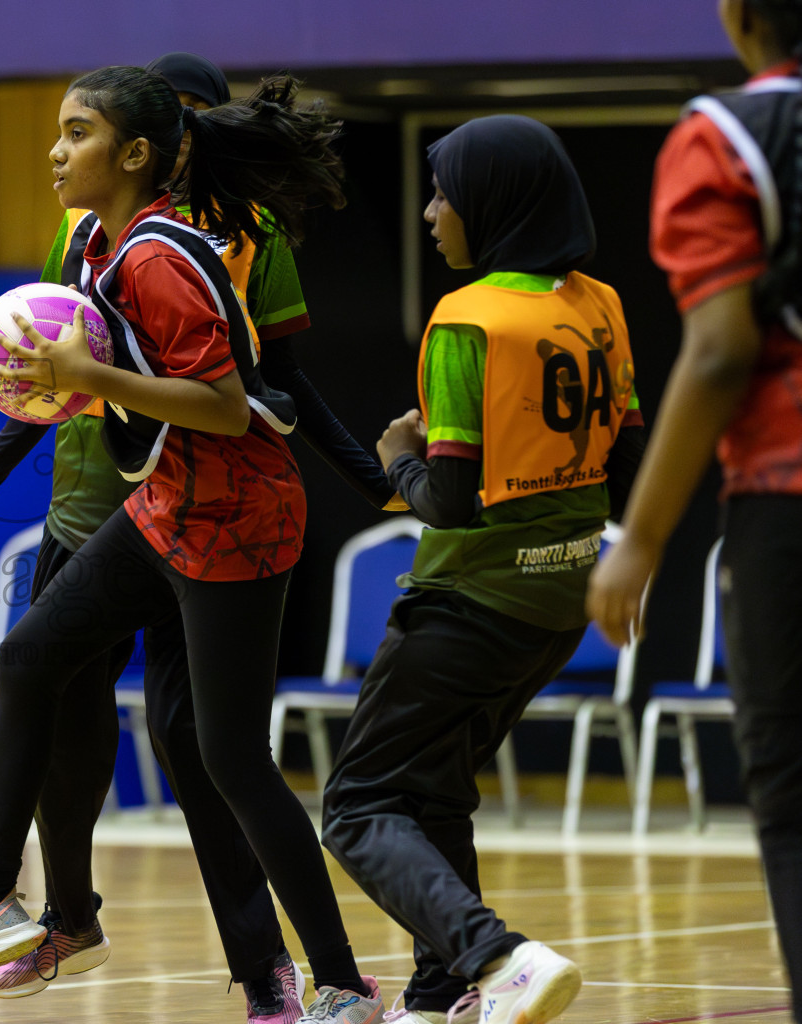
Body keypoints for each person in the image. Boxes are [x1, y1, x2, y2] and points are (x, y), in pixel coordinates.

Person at [0, 66, 382, 1023]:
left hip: (235, 516)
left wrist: (92, 374)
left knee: (224, 756)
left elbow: (228, 404)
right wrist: (6, 447)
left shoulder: (164, 255)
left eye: (75, 133)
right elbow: (81, 375)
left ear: (137, 153)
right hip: (158, 501)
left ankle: (337, 984)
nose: (54, 148)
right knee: (31, 657)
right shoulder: (99, 244)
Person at [318, 116, 646, 1024]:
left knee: (355, 805)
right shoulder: (600, 304)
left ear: (492, 203)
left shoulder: (465, 319)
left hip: (468, 598)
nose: (429, 213)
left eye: (442, 193)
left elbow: (451, 501)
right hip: (559, 597)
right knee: (431, 792)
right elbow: (616, 455)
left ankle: (494, 954)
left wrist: (396, 460)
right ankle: (437, 991)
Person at [587, 0, 802, 1013]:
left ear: (739, 14)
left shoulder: (722, 136)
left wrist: (639, 539)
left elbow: (717, 350)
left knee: (792, 788)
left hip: (787, 493)